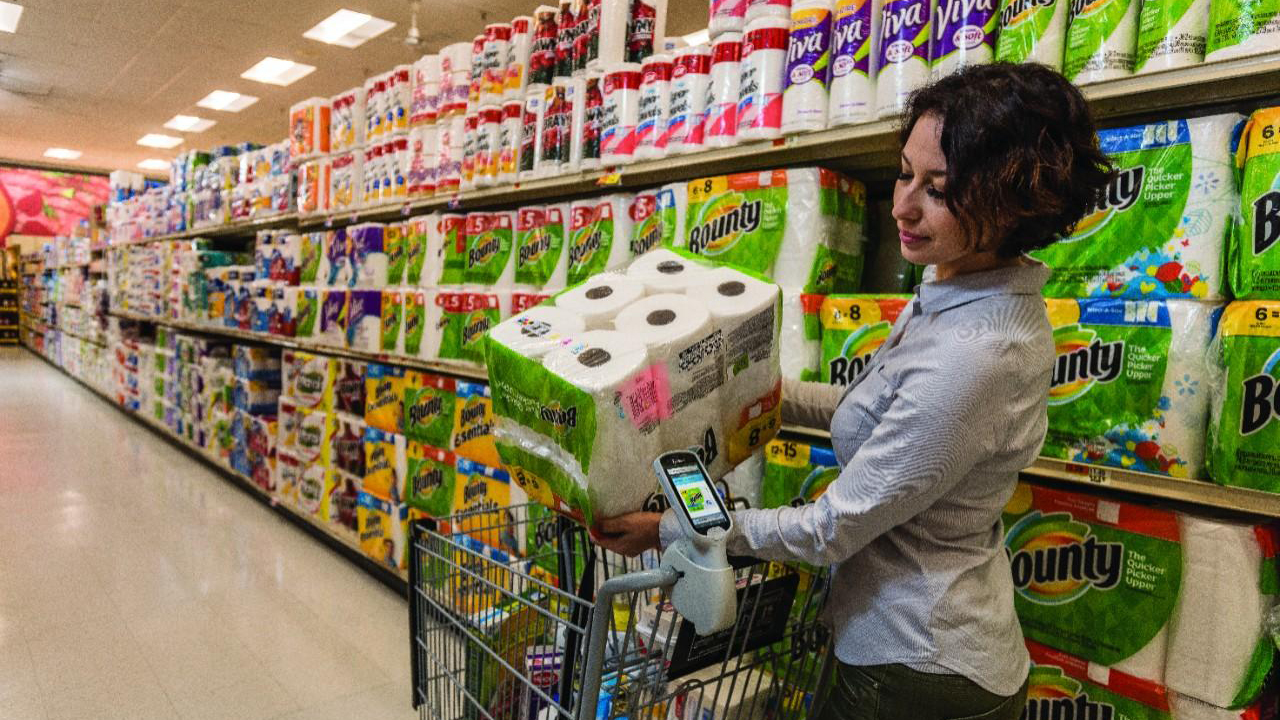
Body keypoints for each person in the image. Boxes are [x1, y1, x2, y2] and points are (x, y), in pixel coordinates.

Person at [590, 62, 1114, 720]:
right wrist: (737, 391)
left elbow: (831, 529)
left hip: (917, 664)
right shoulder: (955, 292)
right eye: (904, 174)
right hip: (911, 643)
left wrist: (669, 530)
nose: (902, 206)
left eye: (939, 190)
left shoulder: (977, 353)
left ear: (1013, 204)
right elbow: (874, 411)